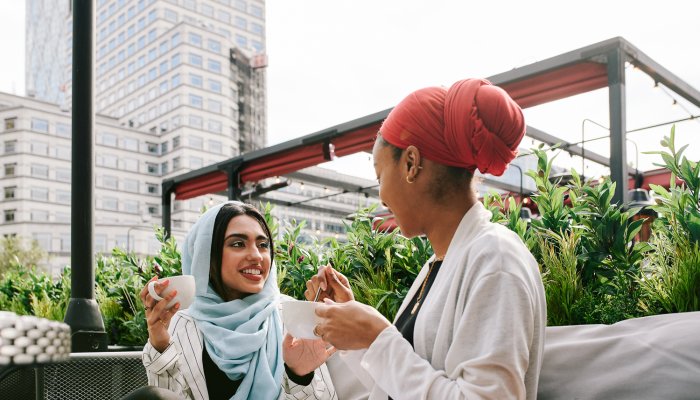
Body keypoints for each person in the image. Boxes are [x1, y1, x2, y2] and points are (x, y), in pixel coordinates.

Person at [306, 78, 547, 399]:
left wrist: (378, 338)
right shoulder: (443, 262)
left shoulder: (495, 259)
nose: (381, 196)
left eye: (380, 177)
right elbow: (402, 384)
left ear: (410, 163)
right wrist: (358, 332)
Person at [136, 201, 335, 400]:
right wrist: (160, 345)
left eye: (263, 245)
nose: (257, 256)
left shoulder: (289, 316)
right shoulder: (181, 323)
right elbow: (168, 396)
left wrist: (299, 376)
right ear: (207, 256)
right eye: (238, 244)